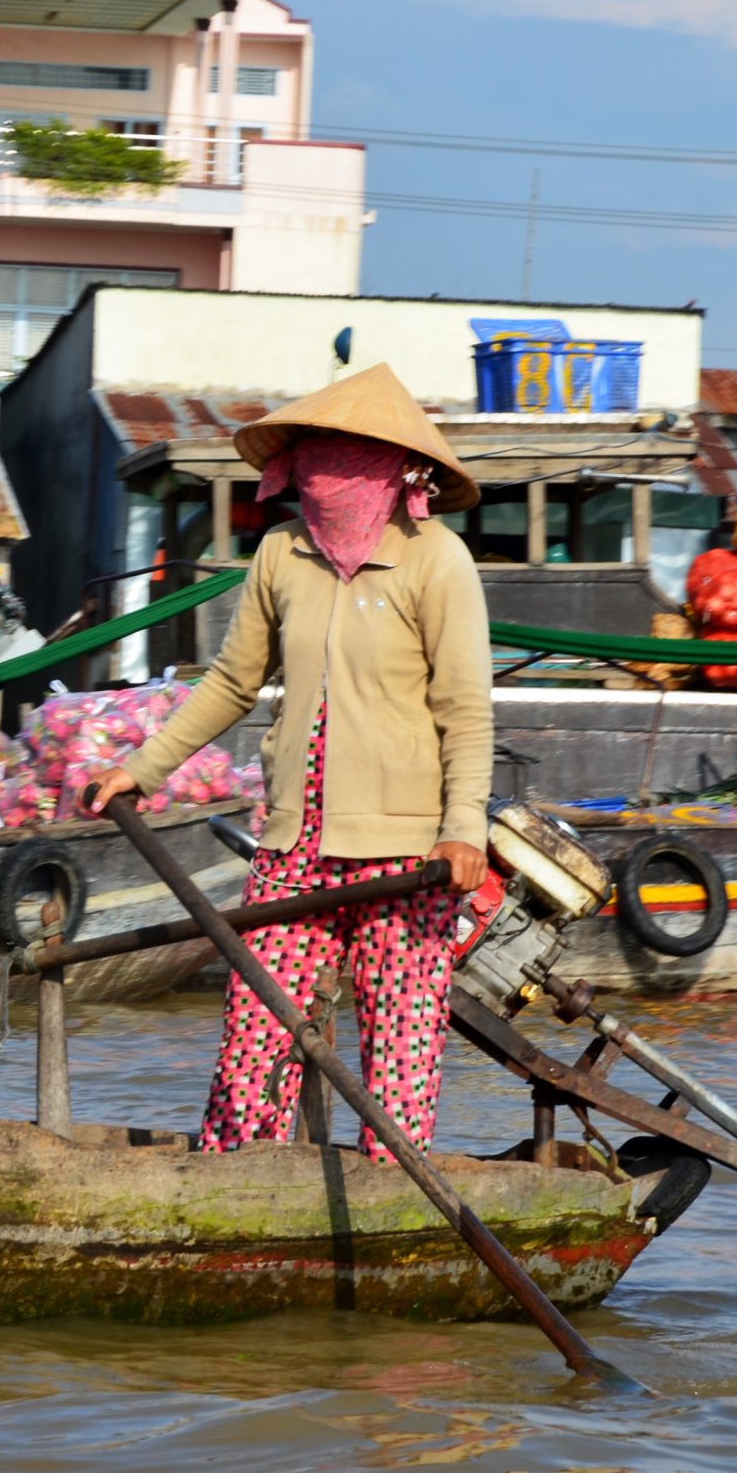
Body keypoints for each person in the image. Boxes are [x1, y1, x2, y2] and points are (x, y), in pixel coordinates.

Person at [87, 364, 492, 1163]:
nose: (328, 469)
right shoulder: (282, 553)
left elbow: (465, 710)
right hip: (293, 842)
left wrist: (462, 830)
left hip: (406, 853)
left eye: (349, 453)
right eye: (318, 451)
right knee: (256, 1036)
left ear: (393, 466)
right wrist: (145, 766)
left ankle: (392, 1193)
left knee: (398, 1053)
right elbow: (233, 682)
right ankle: (237, 1178)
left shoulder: (436, 560)